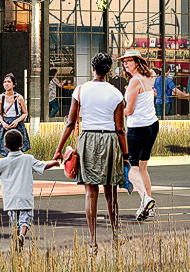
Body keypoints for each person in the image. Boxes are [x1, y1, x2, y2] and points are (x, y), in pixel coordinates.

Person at [52, 53, 128, 254]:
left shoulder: (80, 90)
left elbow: (70, 123)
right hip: (110, 140)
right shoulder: (116, 94)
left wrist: (58, 150)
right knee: (111, 195)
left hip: (87, 139)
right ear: (109, 70)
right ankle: (115, 235)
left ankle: (93, 241)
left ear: (93, 69)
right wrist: (126, 155)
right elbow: (120, 129)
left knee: (90, 194)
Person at [0, 129, 59, 250]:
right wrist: (54, 163)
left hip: (10, 198)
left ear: (5, 146)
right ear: (22, 144)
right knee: (25, 219)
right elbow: (44, 166)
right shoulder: (28, 159)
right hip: (25, 197)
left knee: (14, 221)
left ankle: (16, 239)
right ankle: (22, 235)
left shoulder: (2, 162)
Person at [120, 49, 159, 221]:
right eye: (123, 61)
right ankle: (148, 208)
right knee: (143, 168)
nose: (125, 64)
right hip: (152, 125)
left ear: (136, 62)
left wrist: (115, 108)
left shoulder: (134, 81)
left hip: (138, 128)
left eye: (128, 60)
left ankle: (146, 198)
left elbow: (128, 110)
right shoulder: (146, 78)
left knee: (132, 168)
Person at [0, 73, 30, 159]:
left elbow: (25, 113)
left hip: (17, 123)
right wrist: (3, 123)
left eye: (9, 82)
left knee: (19, 149)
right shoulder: (0, 97)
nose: (6, 84)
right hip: (6, 123)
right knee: (6, 149)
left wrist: (17, 121)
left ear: (14, 84)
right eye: (5, 82)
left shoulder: (19, 97)